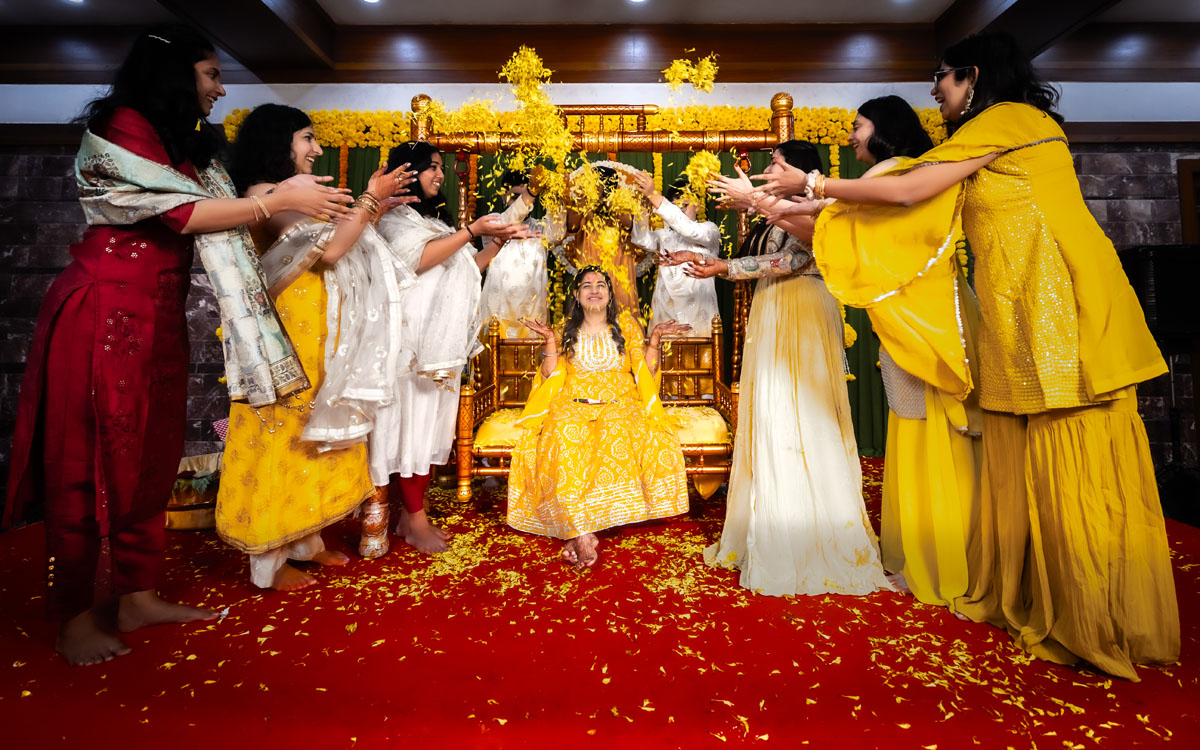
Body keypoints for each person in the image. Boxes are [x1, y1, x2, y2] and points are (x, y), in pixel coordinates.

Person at [757, 32, 1178, 680]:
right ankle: (1039, 595)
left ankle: (1095, 615)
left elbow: (908, 190)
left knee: (1069, 449)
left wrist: (809, 180)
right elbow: (904, 217)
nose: (934, 90)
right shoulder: (985, 138)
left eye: (942, 77)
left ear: (973, 76)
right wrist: (793, 204)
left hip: (1056, 305)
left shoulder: (1011, 120)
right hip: (1016, 311)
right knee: (1023, 452)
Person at [1, 26, 353, 666]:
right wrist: (276, 200)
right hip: (103, 310)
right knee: (87, 461)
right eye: (212, 74)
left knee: (152, 456)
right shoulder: (123, 127)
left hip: (158, 315)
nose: (220, 89)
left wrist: (281, 199)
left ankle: (136, 595)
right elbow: (180, 215)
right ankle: (74, 614)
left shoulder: (183, 144)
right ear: (174, 75)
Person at [756, 97, 982, 611]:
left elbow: (830, 225)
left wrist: (792, 195)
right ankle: (923, 555)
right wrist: (771, 203)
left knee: (931, 435)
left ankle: (941, 559)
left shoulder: (898, 173)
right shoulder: (890, 173)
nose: (851, 135)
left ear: (883, 127)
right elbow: (830, 223)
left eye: (858, 126)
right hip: (907, 322)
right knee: (917, 428)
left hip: (923, 323)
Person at [669, 140, 892, 597]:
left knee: (805, 413)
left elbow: (794, 260)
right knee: (772, 414)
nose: (769, 169)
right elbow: (766, 261)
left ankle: (812, 529)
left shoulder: (817, 208)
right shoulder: (777, 210)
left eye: (775, 163)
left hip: (802, 307)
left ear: (799, 169)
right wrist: (716, 262)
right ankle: (770, 522)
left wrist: (730, 254)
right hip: (772, 306)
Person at [216, 104, 412, 589]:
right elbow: (330, 250)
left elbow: (333, 246)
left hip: (316, 337)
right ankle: (268, 564)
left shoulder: (292, 195)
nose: (317, 148)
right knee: (280, 439)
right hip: (283, 340)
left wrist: (372, 210)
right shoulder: (264, 196)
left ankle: (305, 543)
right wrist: (370, 199)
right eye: (307, 137)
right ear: (278, 141)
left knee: (310, 437)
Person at [371, 141, 532, 553]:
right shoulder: (393, 218)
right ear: (408, 171)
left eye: (441, 167)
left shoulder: (434, 223)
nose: (440, 174)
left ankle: (411, 513)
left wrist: (497, 243)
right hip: (410, 346)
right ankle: (413, 518)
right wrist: (472, 231)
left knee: (428, 426)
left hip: (437, 344)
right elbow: (418, 261)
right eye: (432, 167)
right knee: (410, 425)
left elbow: (466, 269)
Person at [506, 267, 691, 569]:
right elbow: (550, 375)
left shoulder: (627, 327)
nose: (594, 289)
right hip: (572, 404)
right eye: (587, 285)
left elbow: (645, 372)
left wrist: (655, 339)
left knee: (614, 433)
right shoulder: (565, 329)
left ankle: (579, 534)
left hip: (619, 404)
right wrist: (550, 341)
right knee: (564, 437)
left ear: (609, 294)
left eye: (601, 285)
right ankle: (582, 534)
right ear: (576, 295)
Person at [629, 173, 721, 336]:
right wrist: (642, 208)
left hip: (699, 317)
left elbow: (689, 229)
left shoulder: (709, 230)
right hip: (666, 316)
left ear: (698, 205)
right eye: (675, 208)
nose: (679, 212)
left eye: (684, 206)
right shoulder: (664, 235)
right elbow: (641, 239)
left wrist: (654, 195)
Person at [480, 170, 564, 338]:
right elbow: (510, 220)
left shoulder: (540, 228)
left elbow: (557, 235)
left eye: (527, 196)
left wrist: (558, 197)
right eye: (516, 197)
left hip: (532, 322)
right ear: (503, 196)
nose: (525, 201)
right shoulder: (494, 221)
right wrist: (530, 192)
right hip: (496, 321)